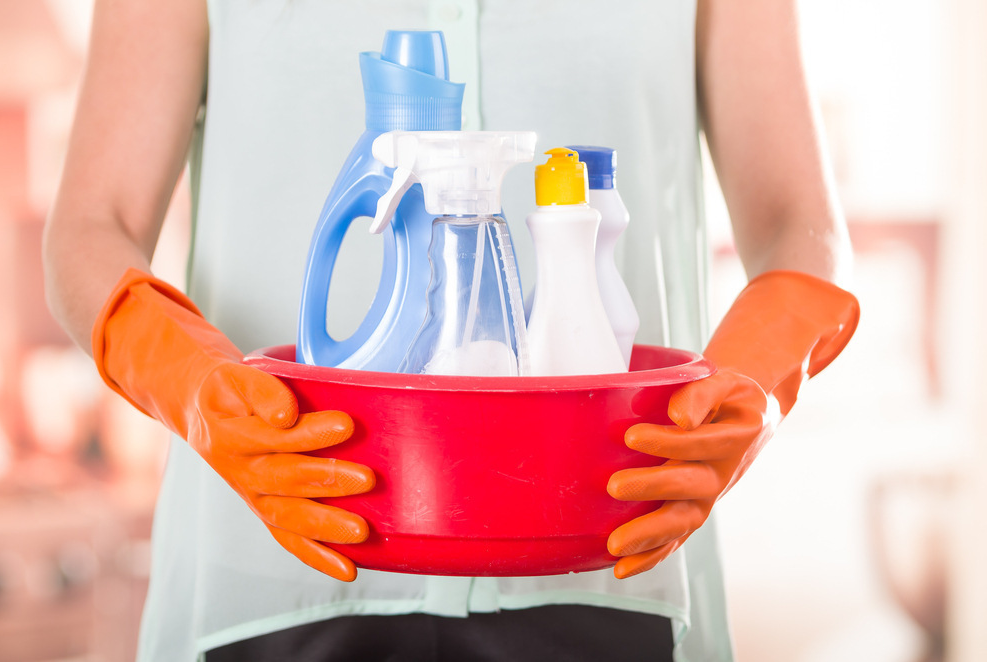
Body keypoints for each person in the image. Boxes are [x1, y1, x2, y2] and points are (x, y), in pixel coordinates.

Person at [43, 0, 860, 660]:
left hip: (613, 569)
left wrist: (751, 380)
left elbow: (802, 225)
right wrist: (191, 384)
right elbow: (91, 224)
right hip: (271, 580)